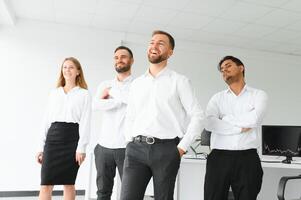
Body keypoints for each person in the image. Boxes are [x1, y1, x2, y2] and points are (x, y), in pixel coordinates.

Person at [120, 30, 205, 200]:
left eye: (160, 43)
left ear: (170, 52)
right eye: (151, 42)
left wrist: (181, 148)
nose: (154, 46)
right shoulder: (137, 83)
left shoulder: (179, 81)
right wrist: (129, 141)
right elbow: (130, 115)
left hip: (166, 150)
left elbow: (198, 116)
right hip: (136, 149)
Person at [204, 56, 268, 200]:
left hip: (247, 158)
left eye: (228, 66)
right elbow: (209, 123)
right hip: (219, 158)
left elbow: (255, 119)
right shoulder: (217, 98)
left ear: (241, 67)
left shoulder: (259, 95)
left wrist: (225, 119)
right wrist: (239, 128)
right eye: (221, 70)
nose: (224, 70)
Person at [36, 57, 91, 200]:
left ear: (78, 71)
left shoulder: (84, 94)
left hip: (72, 140)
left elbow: (86, 122)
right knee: (46, 184)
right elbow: (46, 121)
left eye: (71, 67)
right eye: (65, 67)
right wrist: (40, 147)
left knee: (69, 183)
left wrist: (82, 148)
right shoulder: (54, 93)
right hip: (52, 139)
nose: (67, 70)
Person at [92, 46, 134, 200]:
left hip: (127, 147)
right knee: (103, 192)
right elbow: (95, 105)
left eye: (123, 56)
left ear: (131, 60)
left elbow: (133, 102)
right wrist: (119, 101)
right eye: (116, 57)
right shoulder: (105, 84)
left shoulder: (137, 85)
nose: (119, 60)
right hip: (103, 147)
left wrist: (111, 93)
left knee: (130, 193)